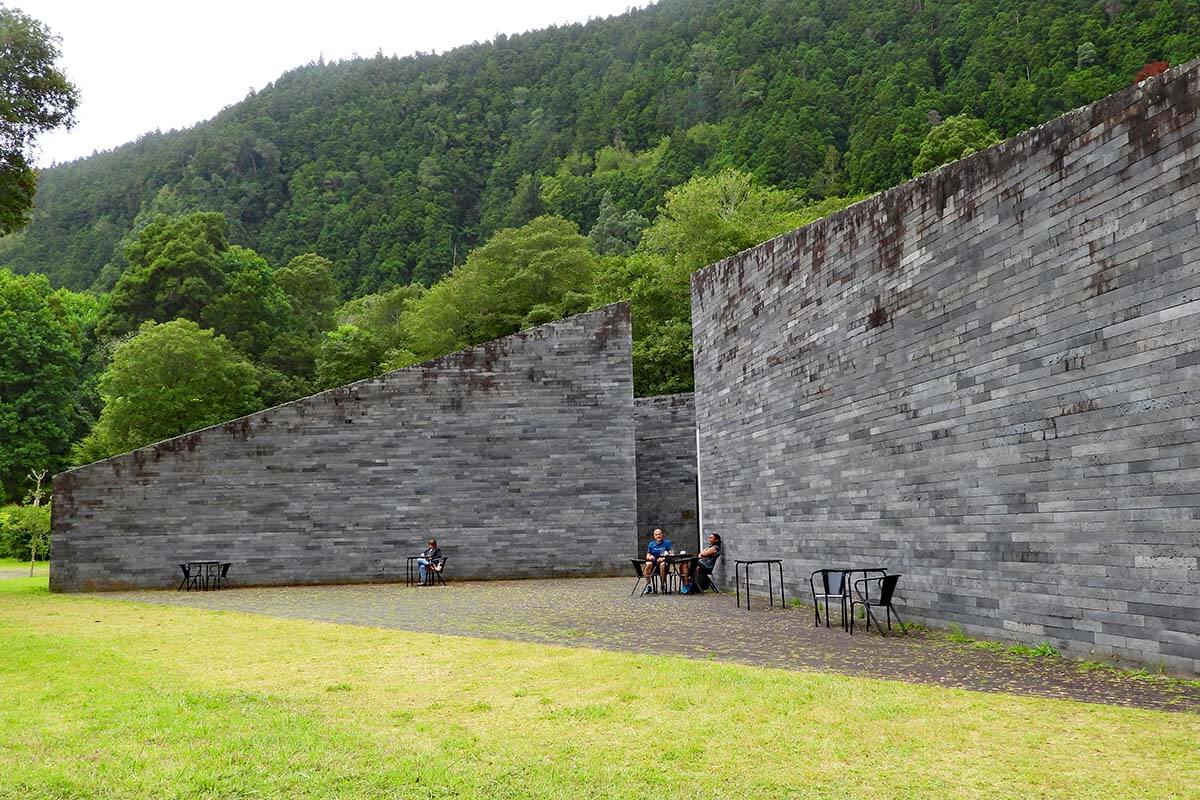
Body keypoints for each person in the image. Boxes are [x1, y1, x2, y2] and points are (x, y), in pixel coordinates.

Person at [642, 528, 673, 593]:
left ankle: (662, 585)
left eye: (659, 534)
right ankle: (648, 586)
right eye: (656, 535)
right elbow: (647, 556)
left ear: (662, 535)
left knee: (662, 564)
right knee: (648, 564)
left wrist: (664, 558)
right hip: (653, 566)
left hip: (664, 565)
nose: (658, 536)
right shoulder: (651, 544)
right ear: (654, 536)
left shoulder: (667, 543)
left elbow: (672, 554)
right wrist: (650, 557)